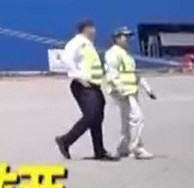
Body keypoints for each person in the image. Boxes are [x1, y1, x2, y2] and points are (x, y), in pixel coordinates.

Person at [55, 19, 114, 161]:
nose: (94, 31)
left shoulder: (88, 44)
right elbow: (66, 59)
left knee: (97, 118)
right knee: (91, 116)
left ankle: (99, 151)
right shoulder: (77, 43)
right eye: (92, 28)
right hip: (83, 85)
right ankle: (65, 140)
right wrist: (77, 76)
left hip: (94, 85)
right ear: (85, 29)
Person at [104, 27, 156, 159]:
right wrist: (120, 89)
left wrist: (147, 88)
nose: (127, 39)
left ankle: (123, 148)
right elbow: (112, 74)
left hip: (131, 91)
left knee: (127, 120)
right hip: (122, 92)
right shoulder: (112, 54)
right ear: (117, 38)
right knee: (137, 118)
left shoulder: (126, 55)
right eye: (124, 36)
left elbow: (134, 74)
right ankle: (136, 148)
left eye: (128, 36)